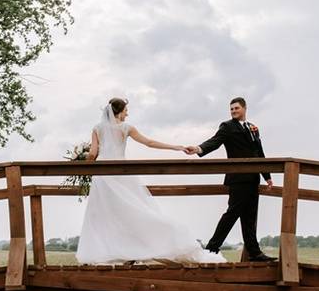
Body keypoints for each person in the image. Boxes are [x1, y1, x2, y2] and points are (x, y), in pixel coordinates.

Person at [75, 98, 228, 265]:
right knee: (131, 211)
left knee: (104, 213)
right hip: (120, 172)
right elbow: (149, 143)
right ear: (119, 111)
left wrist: (84, 168)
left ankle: (111, 251)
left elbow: (92, 153)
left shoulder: (97, 128)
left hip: (102, 174)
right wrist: (176, 147)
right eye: (126, 110)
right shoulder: (126, 128)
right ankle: (132, 249)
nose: (128, 113)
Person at [183, 97, 277, 262]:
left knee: (250, 217)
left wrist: (267, 176)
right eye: (231, 109)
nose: (233, 111)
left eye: (236, 108)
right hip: (238, 178)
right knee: (231, 214)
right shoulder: (227, 126)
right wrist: (198, 148)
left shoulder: (253, 128)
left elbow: (259, 153)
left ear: (244, 108)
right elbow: (215, 142)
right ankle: (212, 249)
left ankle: (254, 253)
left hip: (254, 179)